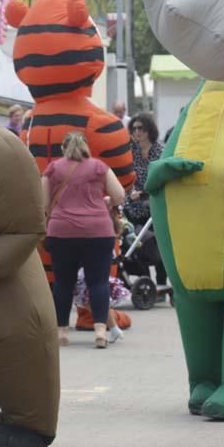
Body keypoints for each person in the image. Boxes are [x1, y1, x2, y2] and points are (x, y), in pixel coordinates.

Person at [43, 131, 125, 348]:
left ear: (64, 149)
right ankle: (100, 332)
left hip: (61, 232)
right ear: (86, 147)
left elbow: (42, 203)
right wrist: (104, 201)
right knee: (98, 282)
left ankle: (61, 332)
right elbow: (119, 196)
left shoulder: (52, 168)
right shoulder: (99, 167)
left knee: (62, 283)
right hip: (97, 231)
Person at [122, 112, 167, 288]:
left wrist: (143, 193)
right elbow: (125, 174)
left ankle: (162, 281)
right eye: (134, 128)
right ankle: (144, 279)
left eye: (141, 128)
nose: (137, 132)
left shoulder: (160, 150)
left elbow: (162, 178)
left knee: (159, 242)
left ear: (149, 130)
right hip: (134, 203)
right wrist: (132, 191)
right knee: (133, 239)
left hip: (154, 200)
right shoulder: (131, 151)